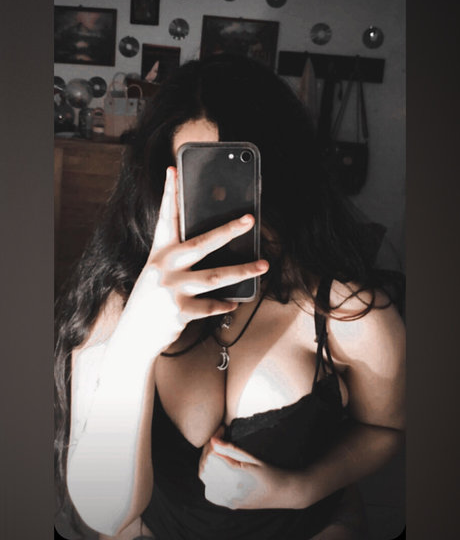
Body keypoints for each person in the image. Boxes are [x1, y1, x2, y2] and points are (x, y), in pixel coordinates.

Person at [54, 54, 405, 540]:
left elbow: (385, 429)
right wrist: (135, 342)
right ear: (163, 184)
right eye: (203, 180)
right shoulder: (119, 304)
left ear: (286, 174)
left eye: (241, 177)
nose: (226, 205)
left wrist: (299, 488)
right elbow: (107, 514)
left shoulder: (346, 313)